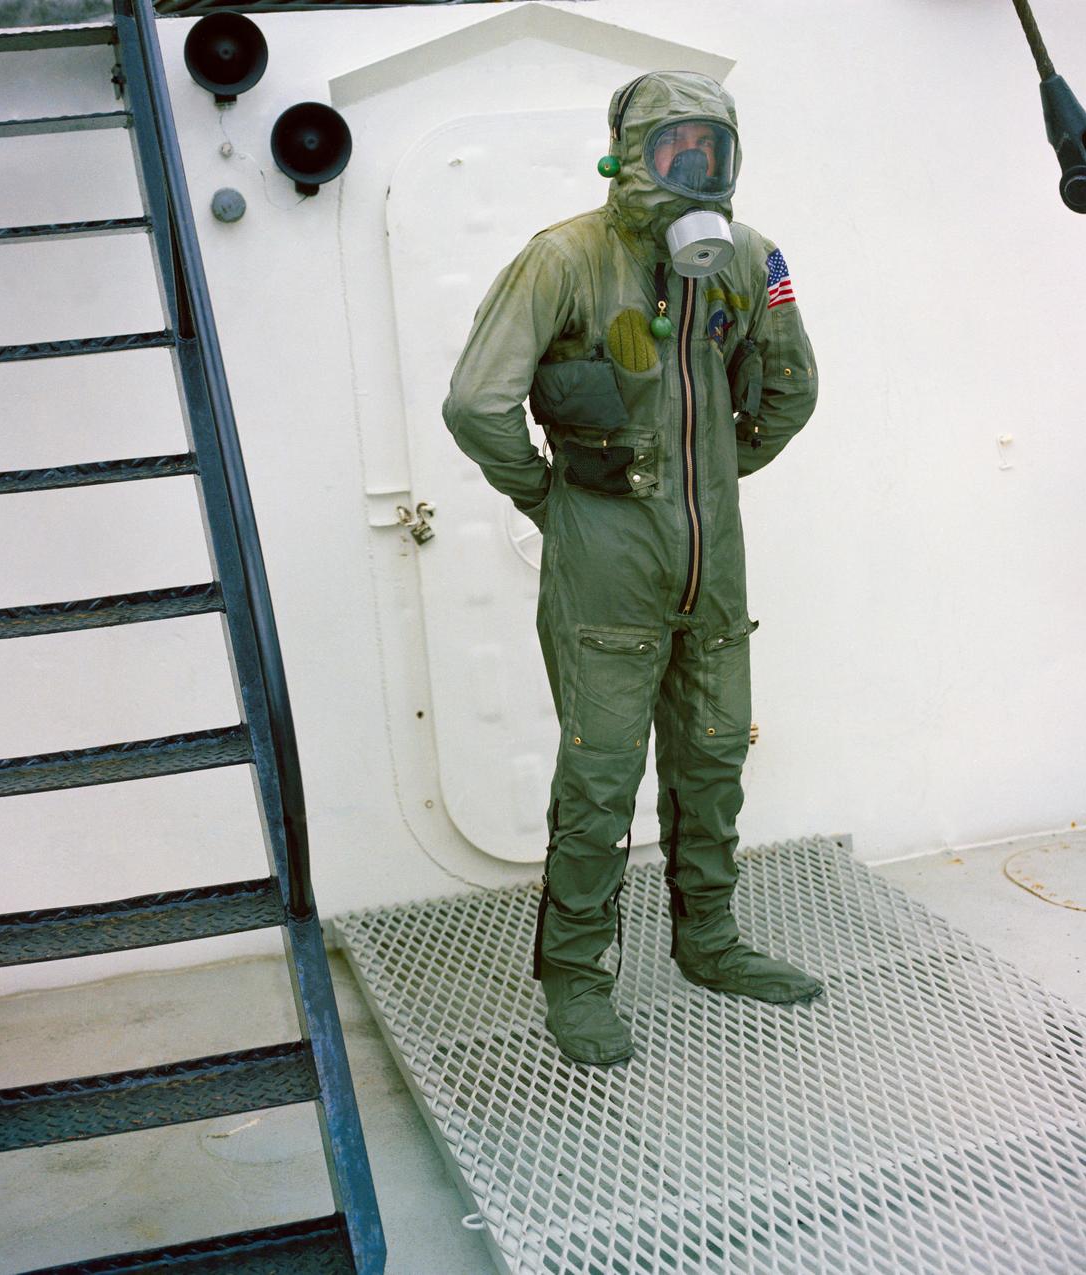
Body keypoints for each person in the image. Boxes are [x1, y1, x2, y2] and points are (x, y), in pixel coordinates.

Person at [442, 71, 824, 1066]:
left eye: (711, 148)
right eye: (673, 148)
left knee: (713, 761)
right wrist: (548, 497)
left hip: (712, 563)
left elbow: (790, 388)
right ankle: (575, 976)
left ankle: (710, 941)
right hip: (605, 566)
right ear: (626, 155)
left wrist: (711, 471)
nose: (694, 167)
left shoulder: (751, 258)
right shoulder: (564, 259)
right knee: (600, 778)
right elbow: (477, 403)